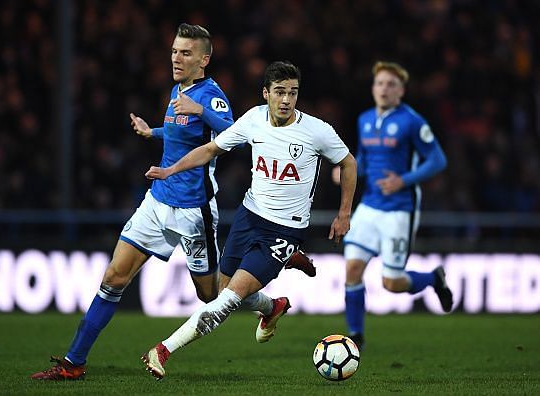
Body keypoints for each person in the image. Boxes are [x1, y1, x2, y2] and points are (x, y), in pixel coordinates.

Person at [31, 23, 234, 380]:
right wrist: (151, 131)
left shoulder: (211, 96)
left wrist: (202, 111)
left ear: (204, 59)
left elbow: (232, 136)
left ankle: (266, 301)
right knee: (113, 278)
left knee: (210, 296)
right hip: (157, 202)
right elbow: (180, 132)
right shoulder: (179, 89)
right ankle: (73, 363)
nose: (176, 57)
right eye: (174, 50)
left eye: (185, 53)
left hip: (192, 210)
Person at [141, 61, 357, 380]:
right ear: (266, 93)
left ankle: (162, 350)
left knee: (227, 302)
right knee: (221, 292)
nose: (286, 100)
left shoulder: (317, 130)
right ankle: (272, 307)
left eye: (293, 93)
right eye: (280, 92)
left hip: (284, 230)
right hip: (249, 216)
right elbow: (213, 148)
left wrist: (343, 214)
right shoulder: (254, 119)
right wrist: (172, 169)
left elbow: (348, 163)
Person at [341, 61, 452, 350]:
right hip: (369, 206)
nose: (384, 89)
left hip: (399, 208)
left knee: (391, 282)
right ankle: (356, 336)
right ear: (373, 88)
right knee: (352, 269)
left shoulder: (412, 121)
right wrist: (347, 170)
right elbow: (365, 161)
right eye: (380, 83)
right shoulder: (364, 119)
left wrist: (403, 180)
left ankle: (432, 278)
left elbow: (438, 159)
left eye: (391, 84)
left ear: (401, 91)